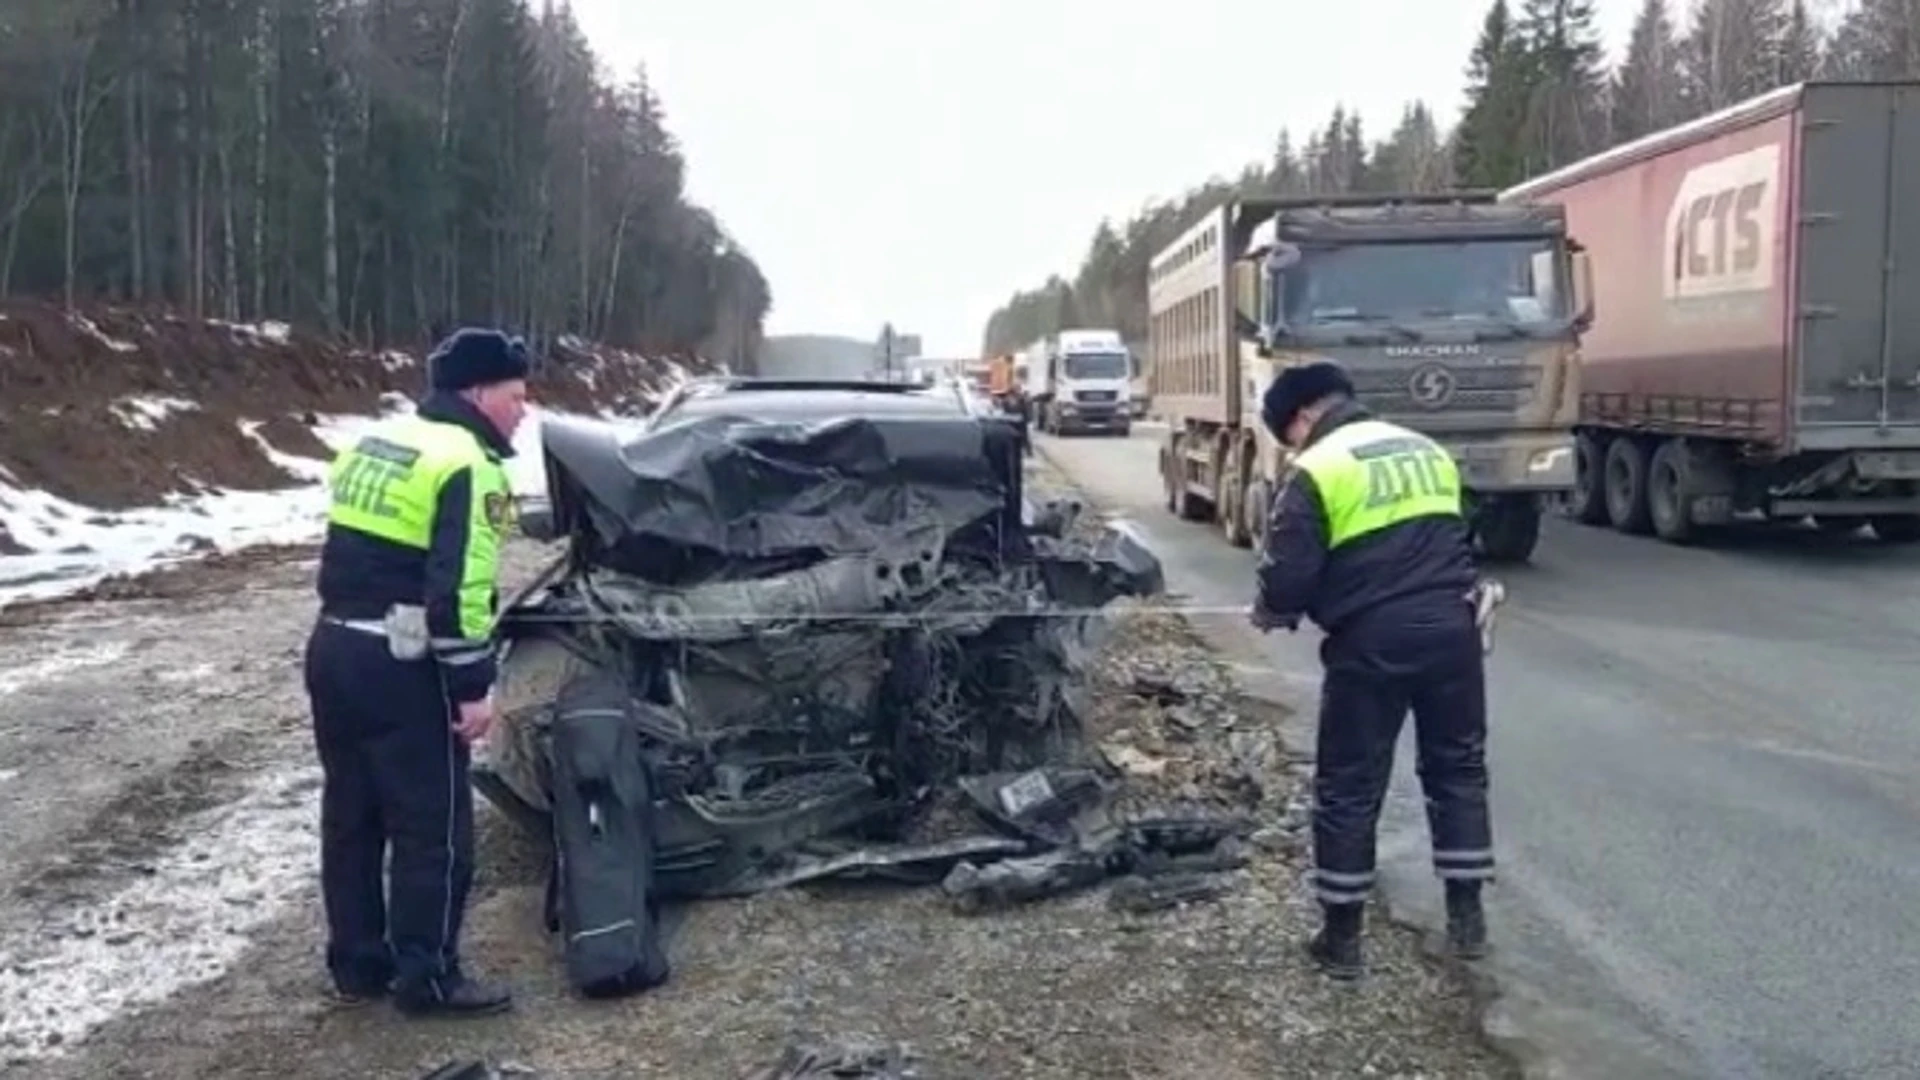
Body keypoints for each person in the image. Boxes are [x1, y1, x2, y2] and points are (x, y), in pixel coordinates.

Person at [302, 327, 530, 1016]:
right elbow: (458, 589)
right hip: (403, 662)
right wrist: (471, 688)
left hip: (334, 647)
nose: (524, 409)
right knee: (433, 825)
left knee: (352, 815)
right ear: (479, 391)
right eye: (517, 395)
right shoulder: (469, 464)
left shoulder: (380, 441)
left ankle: (358, 964)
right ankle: (427, 976)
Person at [1249, 359, 1493, 980]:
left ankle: (1342, 941)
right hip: (1454, 628)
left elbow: (1291, 570)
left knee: (1350, 783)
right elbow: (1462, 530)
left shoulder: (1317, 468)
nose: (1292, 445)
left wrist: (1274, 609)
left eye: (1289, 434)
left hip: (1373, 641)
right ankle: (1467, 921)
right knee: (1457, 766)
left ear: (1303, 416)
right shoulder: (1426, 449)